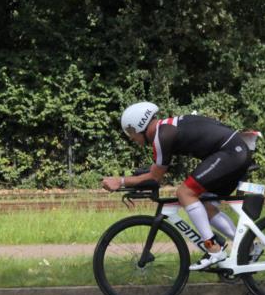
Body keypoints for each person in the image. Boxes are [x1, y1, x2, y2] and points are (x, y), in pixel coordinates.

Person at [101, 102, 252, 271]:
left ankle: (213, 248)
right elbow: (156, 170)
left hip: (230, 153)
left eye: (131, 133)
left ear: (139, 126)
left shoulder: (161, 135)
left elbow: (155, 177)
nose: (132, 138)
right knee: (207, 206)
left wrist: (120, 181)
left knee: (185, 193)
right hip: (234, 151)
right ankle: (250, 247)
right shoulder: (165, 129)